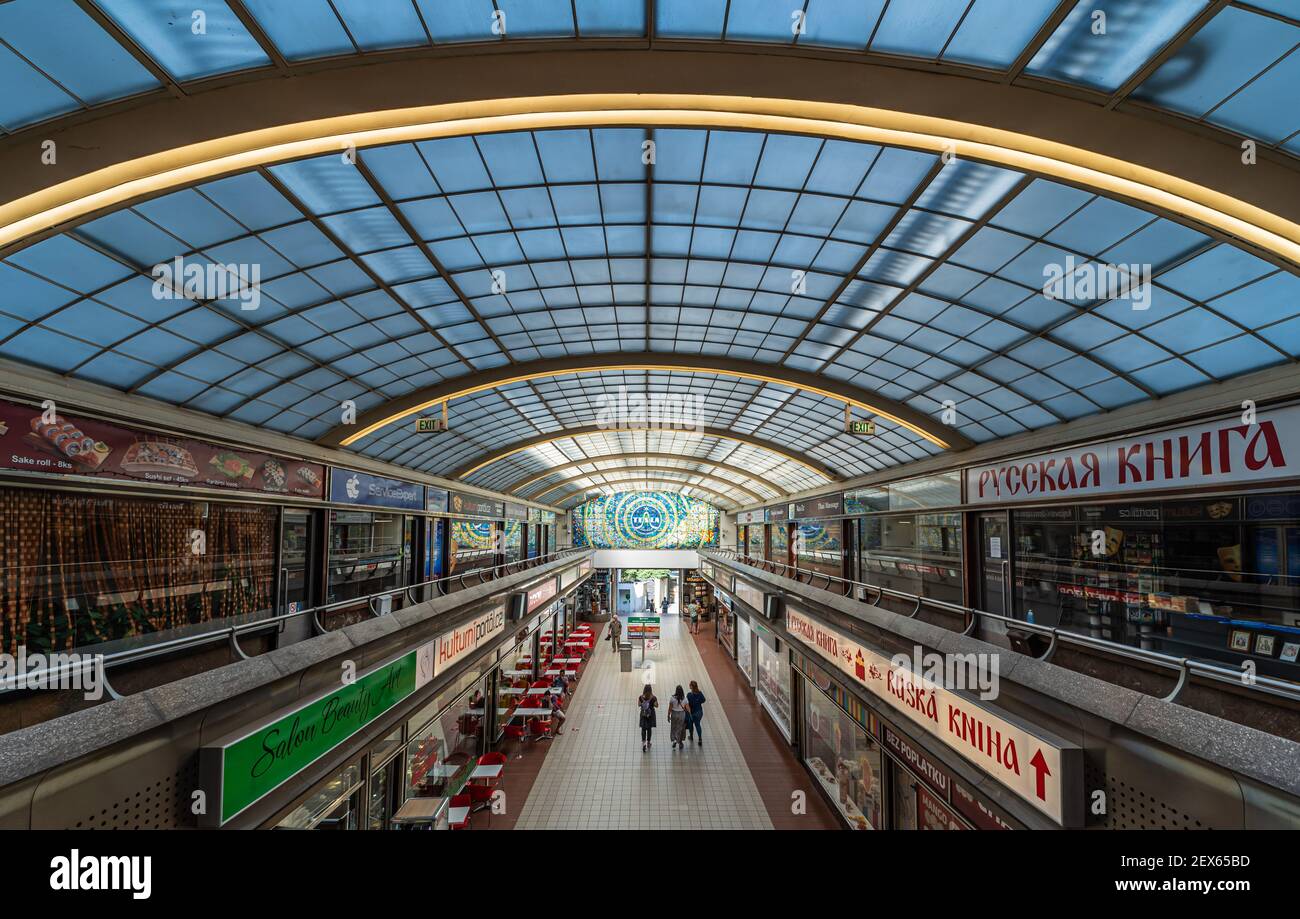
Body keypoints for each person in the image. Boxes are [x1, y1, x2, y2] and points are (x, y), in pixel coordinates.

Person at [637, 684, 658, 752]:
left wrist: (644, 704)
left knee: (643, 729)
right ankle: (648, 742)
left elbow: (639, 704)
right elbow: (656, 705)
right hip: (650, 715)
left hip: (643, 714)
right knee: (649, 729)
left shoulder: (641, 697)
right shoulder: (653, 697)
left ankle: (644, 743)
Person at [685, 680, 707, 747]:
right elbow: (704, 700)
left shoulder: (689, 695)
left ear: (691, 686)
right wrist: (698, 702)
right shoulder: (700, 693)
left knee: (691, 724)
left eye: (690, 685)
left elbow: (687, 704)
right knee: (698, 725)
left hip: (692, 713)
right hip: (699, 712)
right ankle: (700, 738)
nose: (689, 686)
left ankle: (691, 736)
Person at [668, 685, 689, 750]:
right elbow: (688, 708)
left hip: (674, 714)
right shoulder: (685, 698)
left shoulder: (672, 698)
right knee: (680, 728)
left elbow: (670, 708)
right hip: (682, 714)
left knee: (673, 727)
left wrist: (668, 715)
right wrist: (689, 714)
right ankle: (680, 742)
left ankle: (674, 740)